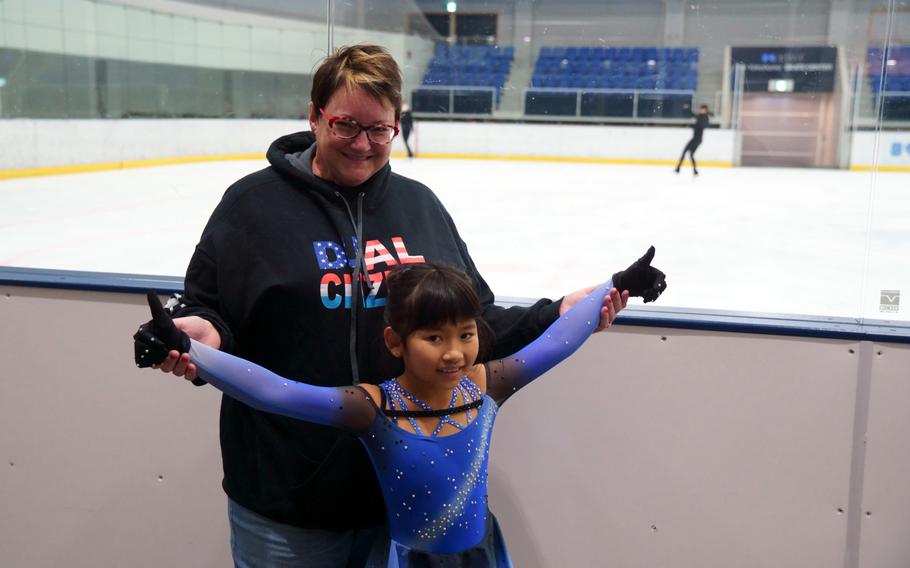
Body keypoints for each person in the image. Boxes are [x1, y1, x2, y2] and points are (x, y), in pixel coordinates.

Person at [150, 44, 639, 567]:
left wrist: (559, 309)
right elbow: (210, 311)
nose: (363, 144)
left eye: (380, 130)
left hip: (397, 504)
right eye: (346, 126)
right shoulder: (251, 207)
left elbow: (472, 322)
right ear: (314, 116)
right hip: (287, 499)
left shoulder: (419, 206)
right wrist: (201, 335)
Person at [135, 255, 667, 567]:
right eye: (434, 337)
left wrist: (616, 285)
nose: (455, 352)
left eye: (465, 335)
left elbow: (557, 342)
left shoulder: (488, 384)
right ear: (396, 341)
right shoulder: (373, 409)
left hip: (478, 557)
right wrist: (189, 351)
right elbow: (278, 392)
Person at [674, 104, 711, 176]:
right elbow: (692, 115)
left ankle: (678, 168)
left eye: (702, 109)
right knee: (691, 155)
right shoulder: (701, 116)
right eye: (700, 109)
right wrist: (686, 109)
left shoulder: (705, 118)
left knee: (685, 152)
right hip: (697, 139)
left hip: (696, 139)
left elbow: (702, 125)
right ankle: (694, 171)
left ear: (705, 110)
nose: (700, 110)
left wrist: (690, 125)